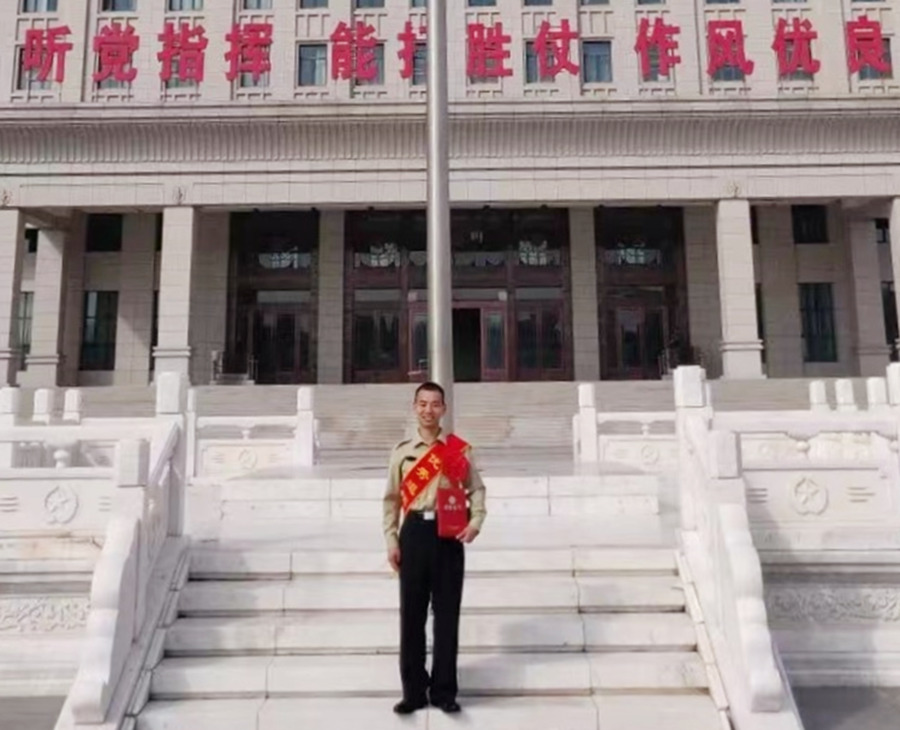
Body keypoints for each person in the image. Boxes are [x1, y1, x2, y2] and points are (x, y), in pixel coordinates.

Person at [382, 381, 487, 715]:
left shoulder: (456, 450)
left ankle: (443, 691)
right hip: (413, 533)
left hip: (448, 536)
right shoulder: (402, 452)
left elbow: (476, 489)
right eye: (423, 404)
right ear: (415, 407)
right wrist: (392, 539)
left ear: (444, 408)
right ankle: (413, 691)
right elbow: (391, 500)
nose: (429, 410)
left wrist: (475, 522)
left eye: (435, 404)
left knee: (447, 616)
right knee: (411, 616)